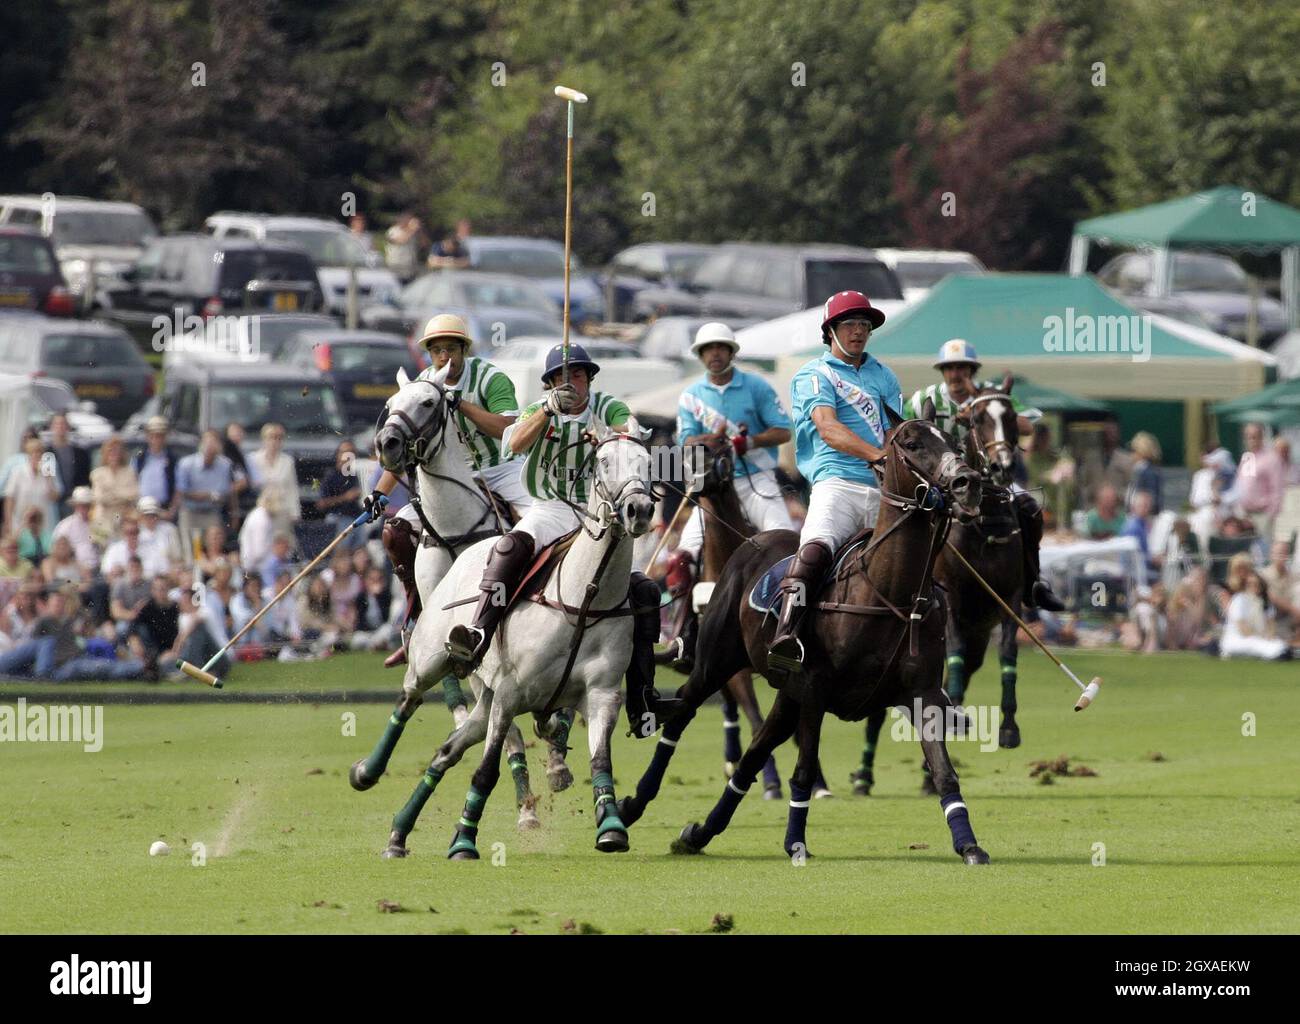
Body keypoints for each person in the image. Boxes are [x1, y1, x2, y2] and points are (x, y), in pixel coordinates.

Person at [441, 340, 667, 724]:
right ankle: (479, 633)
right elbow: (512, 442)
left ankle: (644, 696)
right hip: (550, 508)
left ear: (589, 378)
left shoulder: (605, 406)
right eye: (561, 377)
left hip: (597, 516)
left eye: (578, 374)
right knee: (510, 546)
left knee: (644, 590)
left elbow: (629, 428)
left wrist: (610, 436)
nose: (571, 382)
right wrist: (547, 410)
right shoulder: (538, 409)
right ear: (549, 383)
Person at [366, 314, 532, 667]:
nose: (445, 357)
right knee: (395, 534)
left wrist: (462, 405)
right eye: (437, 350)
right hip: (449, 478)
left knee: (537, 527)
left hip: (500, 469)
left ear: (463, 349)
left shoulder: (490, 378)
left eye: (451, 349)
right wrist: (380, 493)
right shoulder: (421, 386)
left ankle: (534, 612)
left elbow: (508, 430)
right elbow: (403, 446)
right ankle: (415, 622)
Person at [768, 291, 898, 672]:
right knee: (815, 548)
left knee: (916, 560)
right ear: (831, 331)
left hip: (882, 489)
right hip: (836, 483)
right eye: (849, 325)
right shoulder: (814, 374)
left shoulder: (883, 375)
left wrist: (891, 462)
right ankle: (786, 634)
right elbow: (828, 428)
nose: (858, 332)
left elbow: (893, 431)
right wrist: (877, 456)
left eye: (864, 325)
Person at [902, 339, 1064, 611]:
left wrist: (982, 413)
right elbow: (906, 432)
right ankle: (907, 585)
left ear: (972, 371)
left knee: (1031, 509)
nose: (955, 374)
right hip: (939, 483)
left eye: (962, 368)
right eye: (949, 368)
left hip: (988, 482)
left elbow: (1026, 426)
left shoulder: (991, 395)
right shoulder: (923, 399)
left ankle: (1034, 583)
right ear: (942, 371)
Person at [670, 322, 794, 598]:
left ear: (731, 352)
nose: (715, 354)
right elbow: (685, 440)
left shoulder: (757, 386)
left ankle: (784, 608)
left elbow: (783, 430)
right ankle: (680, 621)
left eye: (720, 348)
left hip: (757, 477)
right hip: (713, 484)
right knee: (684, 553)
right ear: (701, 356)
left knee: (785, 538)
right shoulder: (691, 396)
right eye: (708, 349)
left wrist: (750, 442)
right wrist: (711, 441)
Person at [176, 430, 238, 557]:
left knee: (215, 545)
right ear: (201, 445)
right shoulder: (186, 464)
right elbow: (183, 492)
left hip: (212, 513)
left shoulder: (225, 465)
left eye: (214, 443)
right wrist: (208, 495)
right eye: (208, 442)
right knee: (192, 550)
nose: (211, 446)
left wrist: (234, 512)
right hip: (190, 512)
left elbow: (227, 492)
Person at [246, 422, 300, 538]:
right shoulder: (253, 459)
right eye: (272, 437)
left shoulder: (287, 461)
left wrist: (294, 513)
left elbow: (292, 488)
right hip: (260, 510)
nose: (275, 442)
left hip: (281, 510)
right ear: (264, 439)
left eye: (279, 438)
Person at [1221, 571, 1289, 661]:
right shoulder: (1239, 600)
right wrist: (1261, 638)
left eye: (1256, 584)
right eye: (1250, 584)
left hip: (1260, 637)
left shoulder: (1265, 602)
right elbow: (1243, 629)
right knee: (1255, 643)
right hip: (1239, 638)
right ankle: (1273, 655)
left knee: (1279, 643)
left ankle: (1277, 652)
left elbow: (1271, 626)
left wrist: (1269, 637)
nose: (1254, 587)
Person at [1235, 422, 1284, 546]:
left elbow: (1277, 489)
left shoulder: (1271, 458)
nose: (1251, 440)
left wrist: (1271, 514)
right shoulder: (1247, 457)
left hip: (1262, 514)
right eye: (1247, 436)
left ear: (1261, 437)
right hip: (1245, 514)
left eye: (1254, 436)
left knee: (1263, 548)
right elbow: (1243, 484)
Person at [4, 435, 59, 540]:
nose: (36, 456)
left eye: (39, 453)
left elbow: (55, 497)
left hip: (44, 524)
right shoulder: (18, 472)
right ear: (28, 455)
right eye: (33, 453)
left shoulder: (50, 472)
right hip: (21, 523)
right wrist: (8, 523)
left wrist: (49, 479)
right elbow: (9, 498)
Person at [89, 435, 139, 543]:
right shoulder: (97, 474)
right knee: (102, 551)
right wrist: (121, 495)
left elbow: (133, 494)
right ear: (105, 453)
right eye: (110, 451)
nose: (114, 454)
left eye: (117, 451)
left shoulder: (129, 472)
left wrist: (111, 492)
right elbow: (99, 497)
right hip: (103, 519)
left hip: (124, 518)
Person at [318, 441, 365, 550]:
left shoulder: (355, 474)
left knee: (360, 551)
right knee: (341, 552)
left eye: (352, 452)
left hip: (357, 518)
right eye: (345, 452)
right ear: (338, 455)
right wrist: (345, 497)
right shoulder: (330, 475)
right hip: (337, 518)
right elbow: (321, 503)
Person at [45, 412, 91, 520]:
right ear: (51, 427)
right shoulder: (47, 453)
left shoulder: (80, 453)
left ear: (68, 427)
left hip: (76, 501)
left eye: (63, 424)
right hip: (55, 503)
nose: (60, 427)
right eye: (57, 424)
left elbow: (86, 478)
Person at [131, 416, 178, 516]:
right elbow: (133, 481)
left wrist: (172, 511)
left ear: (165, 437)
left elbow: (178, 488)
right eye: (152, 435)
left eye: (160, 436)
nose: (156, 439)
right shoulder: (139, 458)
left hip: (164, 509)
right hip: (142, 509)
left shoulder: (172, 460)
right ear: (147, 436)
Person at [53, 486, 100, 571]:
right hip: (75, 569)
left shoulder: (97, 524)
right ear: (75, 506)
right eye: (81, 505)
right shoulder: (65, 526)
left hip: (97, 566)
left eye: (87, 505)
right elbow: (57, 550)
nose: (84, 509)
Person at [1120, 490, 1158, 585]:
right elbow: (1134, 557)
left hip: (1142, 568)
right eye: (1142, 505)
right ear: (1133, 507)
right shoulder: (1133, 527)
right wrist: (1153, 559)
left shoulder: (1142, 525)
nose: (1145, 509)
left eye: (1147, 506)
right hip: (1134, 573)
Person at [136, 496, 182, 571]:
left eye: (153, 515)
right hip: (143, 577)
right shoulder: (135, 532)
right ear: (141, 516)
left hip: (166, 575)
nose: (150, 518)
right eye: (147, 515)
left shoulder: (169, 529)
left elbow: (177, 557)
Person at [384, 212, 429, 282]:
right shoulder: (393, 230)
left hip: (410, 266)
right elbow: (401, 240)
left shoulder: (413, 232)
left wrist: (420, 230)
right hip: (396, 265)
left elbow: (424, 244)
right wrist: (412, 229)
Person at [1125, 431, 1163, 514]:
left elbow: (1152, 501)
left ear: (1141, 451)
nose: (1131, 454)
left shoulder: (1149, 472)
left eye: (1133, 450)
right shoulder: (1138, 470)